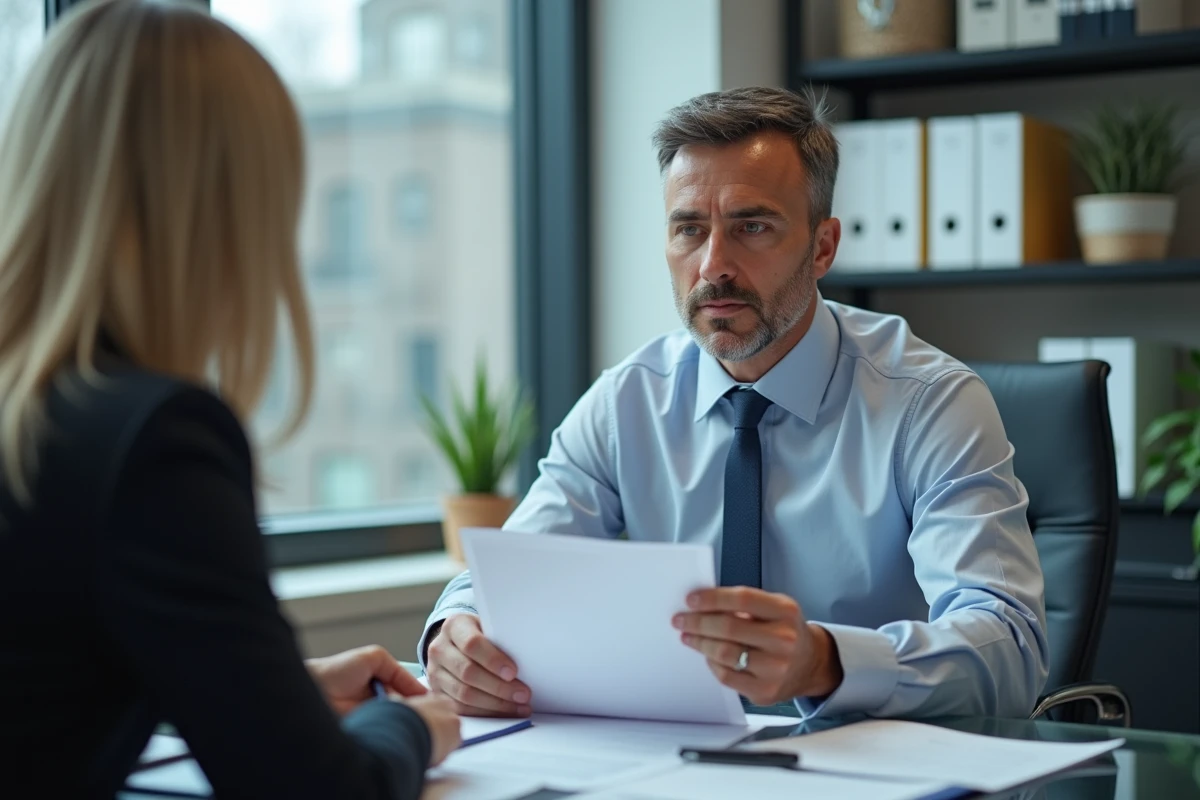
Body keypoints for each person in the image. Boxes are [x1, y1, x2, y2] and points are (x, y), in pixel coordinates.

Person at [419, 86, 1050, 723]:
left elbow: (1010, 646)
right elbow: (520, 570)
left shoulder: (930, 402)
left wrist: (827, 661)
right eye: (689, 230)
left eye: (752, 227)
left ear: (823, 247)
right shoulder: (627, 401)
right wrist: (458, 627)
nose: (713, 265)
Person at [0, 1, 459, 797]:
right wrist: (407, 727)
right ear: (229, 208)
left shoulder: (39, 412)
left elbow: (44, 686)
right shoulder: (151, 438)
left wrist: (276, 695)